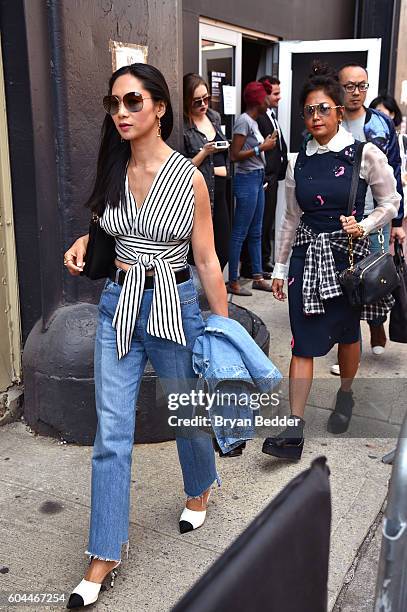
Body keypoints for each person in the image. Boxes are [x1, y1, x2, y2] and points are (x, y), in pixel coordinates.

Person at [63, 63, 228, 608]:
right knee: (111, 432)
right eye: (114, 104)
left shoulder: (190, 177)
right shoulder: (112, 167)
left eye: (132, 102)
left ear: (159, 107)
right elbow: (105, 226)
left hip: (175, 302)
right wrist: (85, 245)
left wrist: (222, 329)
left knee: (185, 411)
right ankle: (105, 550)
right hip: (119, 304)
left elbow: (206, 258)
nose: (121, 113)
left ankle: (200, 485)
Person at [262, 62, 400, 461]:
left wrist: (365, 223)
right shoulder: (297, 160)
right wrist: (281, 267)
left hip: (346, 259)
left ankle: (345, 396)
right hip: (306, 258)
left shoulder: (365, 153)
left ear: (339, 111)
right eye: (308, 110)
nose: (315, 117)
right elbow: (289, 217)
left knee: (347, 335)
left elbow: (391, 201)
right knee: (302, 343)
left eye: (323, 108)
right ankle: (293, 428)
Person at [330, 63, 405, 365]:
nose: (357, 92)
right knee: (342, 282)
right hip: (338, 219)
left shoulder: (381, 125)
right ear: (339, 87)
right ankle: (348, 346)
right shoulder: (328, 121)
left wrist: (398, 223)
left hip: (375, 217)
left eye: (362, 86)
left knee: (373, 278)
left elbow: (396, 174)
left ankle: (376, 326)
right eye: (350, 86)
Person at [227, 81, 277, 296]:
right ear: (259, 100)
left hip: (256, 178)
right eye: (267, 97)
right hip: (246, 179)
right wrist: (261, 147)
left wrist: (263, 146)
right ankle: (233, 281)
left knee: (256, 231)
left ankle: (257, 277)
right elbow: (233, 155)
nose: (270, 101)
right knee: (240, 232)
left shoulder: (254, 122)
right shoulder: (243, 122)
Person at [240, 76, 288, 278]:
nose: (279, 97)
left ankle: (263, 262)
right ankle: (251, 267)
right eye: (275, 93)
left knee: (266, 223)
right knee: (257, 224)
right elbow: (250, 149)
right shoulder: (255, 118)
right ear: (264, 96)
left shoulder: (270, 114)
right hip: (261, 177)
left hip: (272, 176)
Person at [183, 73, 231, 271]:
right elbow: (181, 167)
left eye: (206, 98)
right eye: (197, 101)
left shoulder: (213, 116)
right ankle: (204, 297)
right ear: (187, 101)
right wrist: (204, 152)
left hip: (221, 190)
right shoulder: (185, 127)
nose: (203, 104)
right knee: (200, 253)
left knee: (223, 250)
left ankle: (213, 294)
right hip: (201, 193)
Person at [369, 93, 407, 204]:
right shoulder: (367, 140)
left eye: (380, 113)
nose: (376, 118)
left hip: (398, 199)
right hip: (372, 200)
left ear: (392, 114)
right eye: (373, 114)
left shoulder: (403, 140)